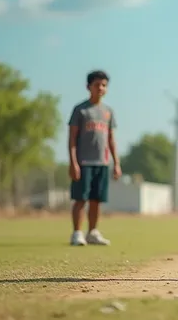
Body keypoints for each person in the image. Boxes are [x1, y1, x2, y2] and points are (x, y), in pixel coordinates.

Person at [67, 70, 122, 246]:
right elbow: (72, 138)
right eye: (97, 84)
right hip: (83, 162)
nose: (100, 88)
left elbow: (111, 139)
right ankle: (77, 233)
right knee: (80, 199)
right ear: (88, 86)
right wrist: (73, 163)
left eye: (104, 85)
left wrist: (116, 163)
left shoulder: (108, 112)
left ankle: (92, 232)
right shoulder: (80, 110)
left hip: (102, 162)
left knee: (97, 200)